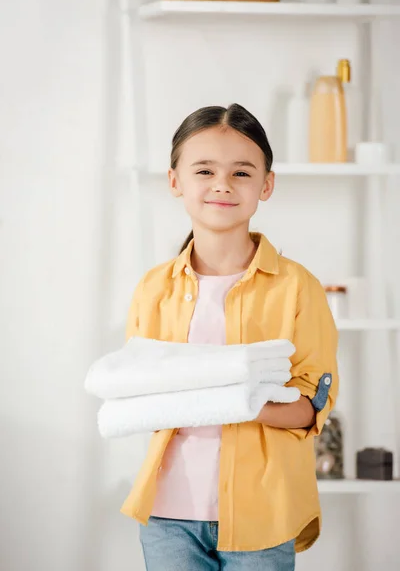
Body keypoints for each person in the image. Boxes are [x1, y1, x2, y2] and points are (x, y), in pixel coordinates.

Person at [121, 103, 338, 571]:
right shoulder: (154, 289)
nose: (222, 183)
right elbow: (137, 390)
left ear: (267, 185)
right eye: (204, 170)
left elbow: (312, 403)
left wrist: (228, 401)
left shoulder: (297, 287)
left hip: (262, 512)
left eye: (241, 171)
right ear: (176, 181)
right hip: (167, 514)